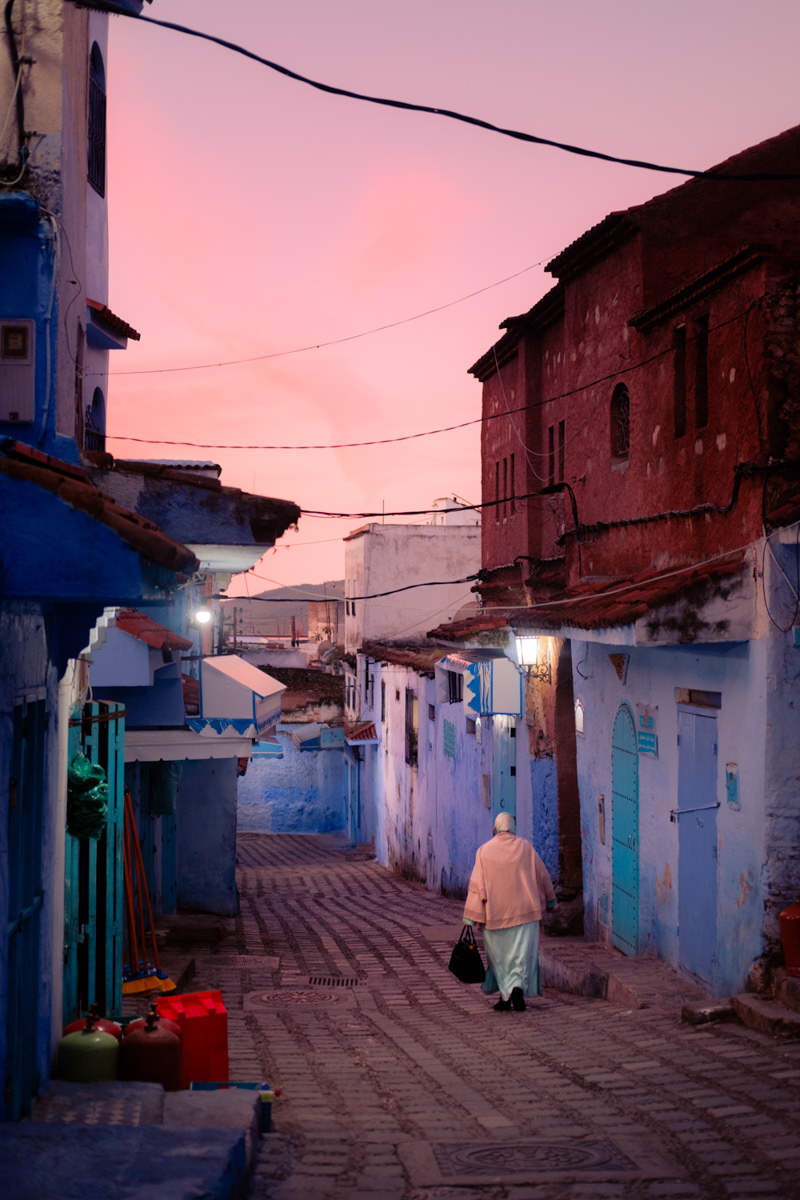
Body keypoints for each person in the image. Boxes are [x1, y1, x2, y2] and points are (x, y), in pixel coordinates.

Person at [463, 812, 556, 1011]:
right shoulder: (526, 848)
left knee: (499, 958)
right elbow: (543, 875)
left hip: (495, 916)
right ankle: (516, 990)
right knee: (521, 956)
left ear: (496, 828)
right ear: (512, 826)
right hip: (525, 914)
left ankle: (505, 995)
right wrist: (551, 900)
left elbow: (477, 886)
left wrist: (470, 918)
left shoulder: (484, 851)